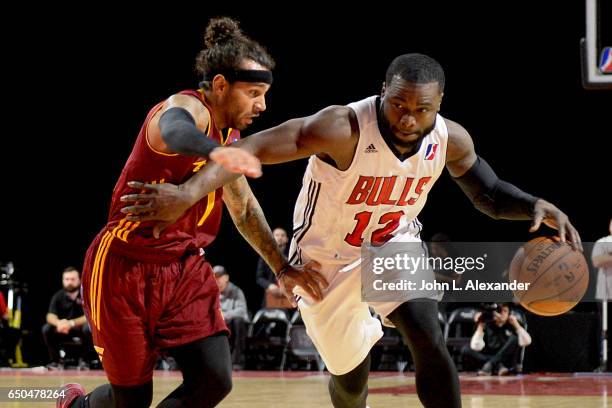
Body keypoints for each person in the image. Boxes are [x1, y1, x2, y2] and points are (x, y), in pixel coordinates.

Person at [122, 53, 581, 408]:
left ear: (438, 105)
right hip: (324, 260)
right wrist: (187, 193)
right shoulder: (342, 128)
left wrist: (534, 206)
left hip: (392, 244)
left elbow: (489, 194)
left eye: (420, 109)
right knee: (350, 377)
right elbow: (254, 146)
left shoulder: (450, 139)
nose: (406, 117)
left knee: (426, 332)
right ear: (383, 91)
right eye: (398, 103)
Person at [58, 17, 326, 408]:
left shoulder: (229, 135)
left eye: (264, 93)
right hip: (124, 267)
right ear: (220, 86)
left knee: (214, 380)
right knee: (131, 400)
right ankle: (74, 405)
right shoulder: (188, 108)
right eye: (253, 92)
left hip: (183, 269)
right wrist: (215, 152)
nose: (262, 105)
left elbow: (245, 209)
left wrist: (282, 268)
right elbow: (173, 129)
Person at [42, 267, 91, 369]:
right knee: (47, 328)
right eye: (67, 279)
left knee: (88, 328)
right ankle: (55, 361)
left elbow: (90, 316)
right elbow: (50, 315)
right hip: (63, 330)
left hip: (80, 329)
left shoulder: (87, 295)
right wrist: (58, 323)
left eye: (73, 279)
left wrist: (72, 323)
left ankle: (85, 361)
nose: (69, 282)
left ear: (79, 279)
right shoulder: (58, 296)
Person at [461, 303, 531, 376]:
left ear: (509, 314)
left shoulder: (512, 325)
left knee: (514, 339)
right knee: (465, 349)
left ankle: (490, 365)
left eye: (505, 311)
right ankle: (498, 366)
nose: (502, 314)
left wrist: (517, 325)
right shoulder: (487, 323)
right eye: (499, 311)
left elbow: (527, 342)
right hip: (488, 355)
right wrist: (481, 325)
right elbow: (476, 347)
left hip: (506, 360)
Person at [213, 265, 249, 369]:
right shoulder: (210, 292)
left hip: (231, 324)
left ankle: (237, 362)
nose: (217, 280)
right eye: (215, 277)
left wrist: (224, 315)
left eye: (219, 276)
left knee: (238, 321)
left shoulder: (236, 291)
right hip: (217, 324)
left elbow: (242, 311)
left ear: (226, 278)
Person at [593, 218, 612, 370]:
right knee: (604, 329)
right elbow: (597, 261)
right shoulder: (602, 242)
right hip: (605, 293)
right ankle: (604, 363)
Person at [256, 227, 290, 307]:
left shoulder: (292, 255)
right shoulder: (265, 255)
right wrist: (269, 285)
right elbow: (259, 277)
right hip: (271, 294)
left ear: (287, 239)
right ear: (272, 238)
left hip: (289, 294)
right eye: (277, 235)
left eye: (282, 235)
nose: (280, 237)